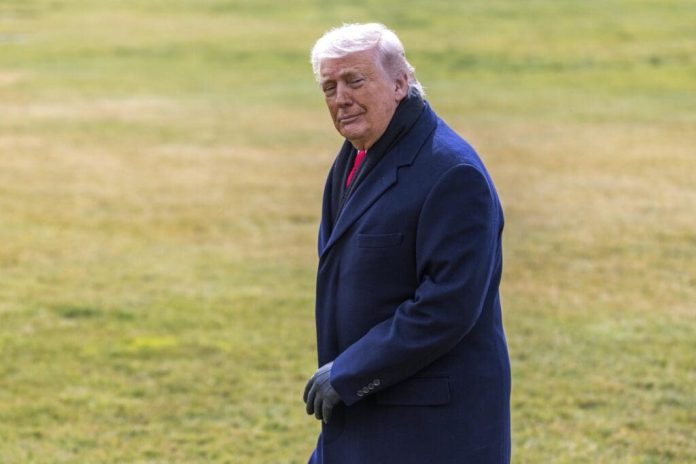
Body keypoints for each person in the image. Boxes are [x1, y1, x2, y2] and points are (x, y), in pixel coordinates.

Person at [302, 23, 511, 464]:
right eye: (329, 87)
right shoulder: (357, 154)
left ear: (400, 83)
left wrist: (350, 371)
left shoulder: (453, 174)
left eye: (355, 80)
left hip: (429, 434)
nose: (341, 98)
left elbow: (446, 307)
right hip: (364, 419)